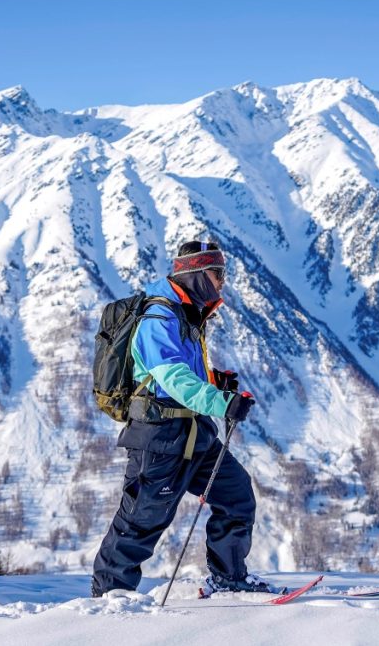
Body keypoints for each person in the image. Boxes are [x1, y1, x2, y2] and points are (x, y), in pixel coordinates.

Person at [91, 240, 269, 597]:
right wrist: (219, 401)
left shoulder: (186, 312)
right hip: (159, 438)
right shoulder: (160, 315)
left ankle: (228, 577)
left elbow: (179, 372)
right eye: (217, 273)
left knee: (236, 496)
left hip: (194, 433)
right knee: (140, 522)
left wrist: (216, 382)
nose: (223, 281)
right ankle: (109, 600)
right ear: (196, 274)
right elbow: (171, 376)